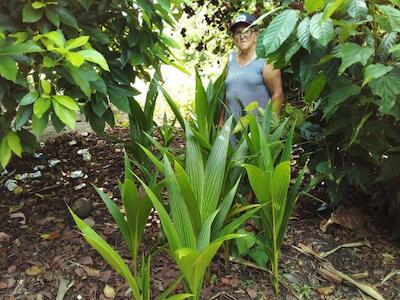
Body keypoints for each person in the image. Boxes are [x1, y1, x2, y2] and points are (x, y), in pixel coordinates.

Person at [219, 12, 284, 125]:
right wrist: (221, 121)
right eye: (237, 33)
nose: (241, 36)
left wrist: (269, 128)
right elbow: (228, 93)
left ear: (256, 33)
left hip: (255, 130)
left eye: (246, 31)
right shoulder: (231, 58)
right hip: (230, 129)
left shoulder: (266, 60)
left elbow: (277, 94)